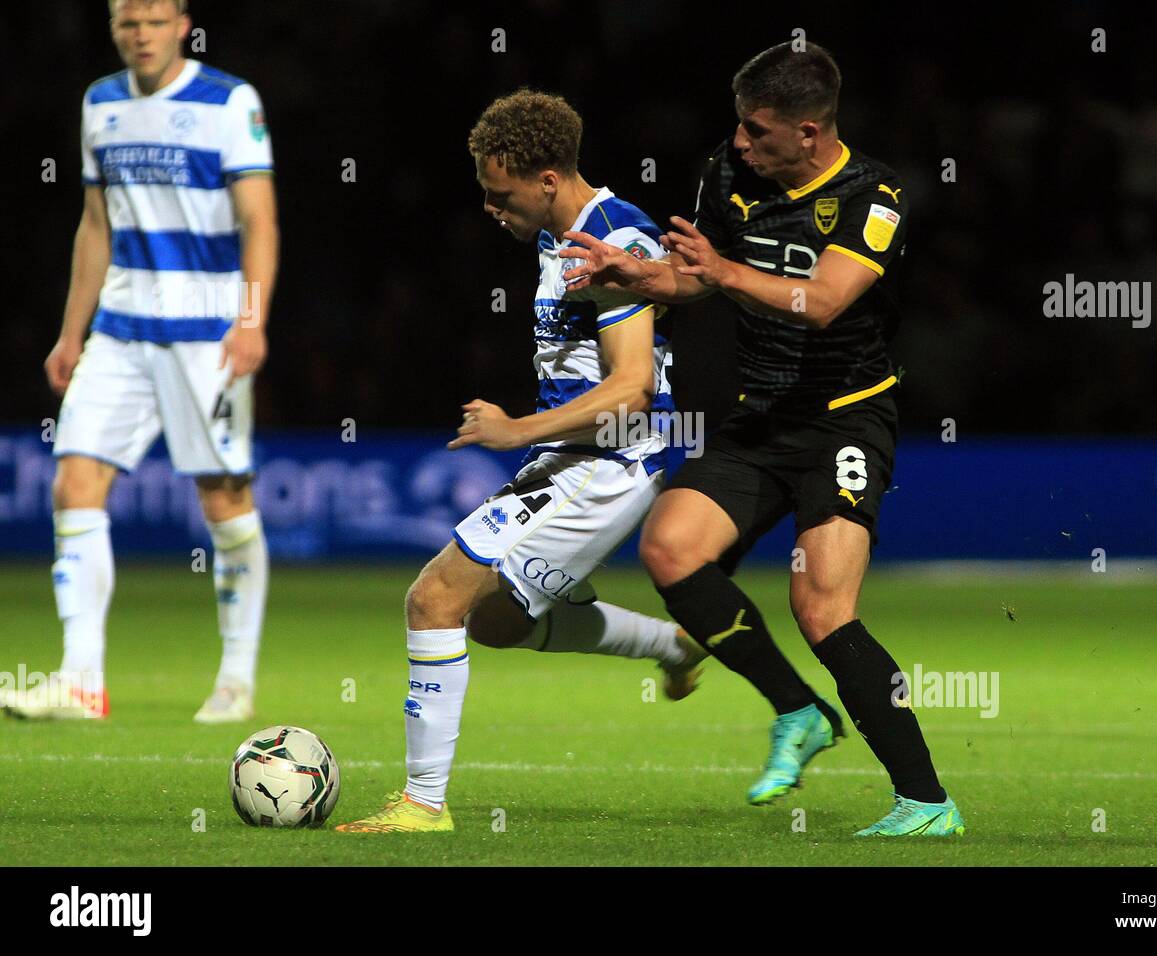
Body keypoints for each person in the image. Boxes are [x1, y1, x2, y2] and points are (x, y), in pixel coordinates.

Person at [560, 43, 965, 837]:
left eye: (757, 130)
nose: (740, 143)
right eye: (738, 127)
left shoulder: (872, 194)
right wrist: (639, 276)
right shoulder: (726, 171)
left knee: (820, 607)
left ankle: (926, 801)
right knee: (670, 547)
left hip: (847, 417)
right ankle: (797, 710)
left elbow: (822, 301)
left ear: (810, 133)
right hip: (761, 415)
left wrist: (723, 273)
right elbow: (695, 277)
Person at [335, 90, 704, 834]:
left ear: (545, 180)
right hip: (576, 460)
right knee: (495, 623)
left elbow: (632, 390)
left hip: (609, 465)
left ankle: (422, 804)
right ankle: (673, 645)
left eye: (499, 194)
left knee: (434, 599)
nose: (489, 208)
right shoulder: (554, 235)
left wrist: (516, 430)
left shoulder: (613, 239)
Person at [0, 0, 278, 724]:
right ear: (114, 27)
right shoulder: (101, 102)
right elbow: (95, 225)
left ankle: (236, 677)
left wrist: (251, 322)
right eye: (128, 21)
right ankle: (81, 681)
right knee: (74, 481)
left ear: (183, 23)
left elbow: (261, 221)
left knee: (223, 503)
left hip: (206, 334)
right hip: (121, 330)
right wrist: (72, 333)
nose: (141, 34)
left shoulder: (227, 102)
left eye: (154, 20)